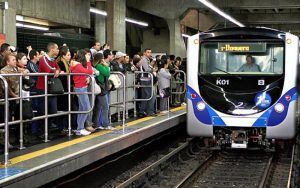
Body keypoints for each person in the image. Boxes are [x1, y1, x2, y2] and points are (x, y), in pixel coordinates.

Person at [70, 50, 95, 136]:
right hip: (81, 88)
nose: (87, 57)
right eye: (86, 55)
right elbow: (89, 72)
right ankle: (79, 128)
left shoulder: (75, 64)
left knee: (82, 109)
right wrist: (88, 62)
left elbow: (83, 73)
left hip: (80, 88)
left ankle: (79, 129)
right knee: (87, 108)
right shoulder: (77, 65)